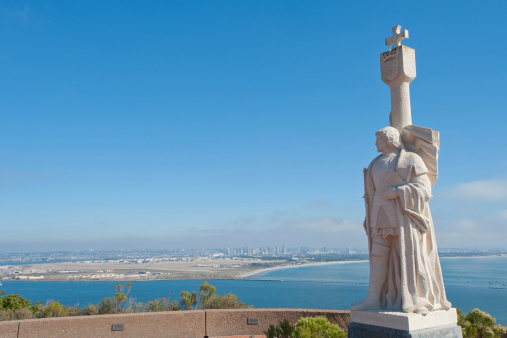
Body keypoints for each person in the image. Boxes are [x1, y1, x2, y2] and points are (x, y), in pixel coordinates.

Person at [351, 126, 451, 314]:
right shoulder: (374, 163)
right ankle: (373, 298)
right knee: (377, 255)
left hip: (402, 214)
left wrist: (398, 192)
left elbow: (424, 186)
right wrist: (368, 215)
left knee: (408, 256)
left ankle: (412, 298)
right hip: (379, 213)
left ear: (390, 140)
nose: (375, 143)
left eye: (378, 139)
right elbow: (371, 194)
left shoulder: (411, 159)